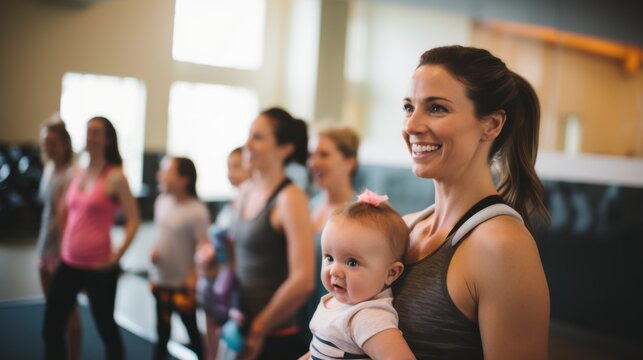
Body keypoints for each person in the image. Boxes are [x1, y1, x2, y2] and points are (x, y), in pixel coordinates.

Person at [394, 45, 550, 359]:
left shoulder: (502, 245)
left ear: (491, 125)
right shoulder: (407, 226)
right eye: (409, 107)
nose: (411, 126)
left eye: (436, 108)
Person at [43, 116, 141, 360]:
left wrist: (116, 256)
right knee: (51, 328)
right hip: (68, 263)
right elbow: (67, 213)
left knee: (107, 330)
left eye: (97, 132)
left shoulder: (116, 177)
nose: (91, 137)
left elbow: (133, 220)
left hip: (99, 267)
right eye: (88, 132)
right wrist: (64, 246)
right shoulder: (78, 173)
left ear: (108, 139)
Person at [231, 107, 315, 359]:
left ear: (285, 148)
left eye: (258, 137)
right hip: (240, 322)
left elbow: (303, 280)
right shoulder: (245, 190)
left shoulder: (290, 199)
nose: (247, 144)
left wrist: (260, 328)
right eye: (249, 135)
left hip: (275, 334)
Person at [306, 189, 415, 360]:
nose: (334, 270)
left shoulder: (367, 316)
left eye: (352, 263)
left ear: (391, 273)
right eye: (329, 258)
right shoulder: (334, 302)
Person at [301, 124, 360, 340]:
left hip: (333, 328)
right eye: (311, 155)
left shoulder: (362, 214)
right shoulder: (307, 206)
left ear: (349, 161)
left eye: (323, 154)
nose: (313, 162)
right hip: (300, 319)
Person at [149, 156, 208, 359]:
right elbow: (160, 235)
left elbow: (204, 247)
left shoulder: (196, 211)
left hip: (183, 286)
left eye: (167, 171)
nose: (160, 175)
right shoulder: (161, 201)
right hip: (161, 281)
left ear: (184, 180)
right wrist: (155, 249)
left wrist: (195, 274)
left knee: (192, 332)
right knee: (161, 334)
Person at [194, 146, 249, 360]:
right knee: (212, 343)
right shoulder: (229, 207)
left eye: (236, 166)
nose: (230, 173)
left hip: (233, 288)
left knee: (228, 344)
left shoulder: (247, 210)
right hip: (215, 282)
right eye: (228, 167)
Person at [37, 119, 81, 360]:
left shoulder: (72, 174)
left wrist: (66, 254)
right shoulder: (48, 169)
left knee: (68, 310)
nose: (49, 148)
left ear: (65, 144)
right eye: (45, 143)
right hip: (45, 244)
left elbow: (69, 216)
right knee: (52, 312)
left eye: (53, 143)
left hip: (62, 250)